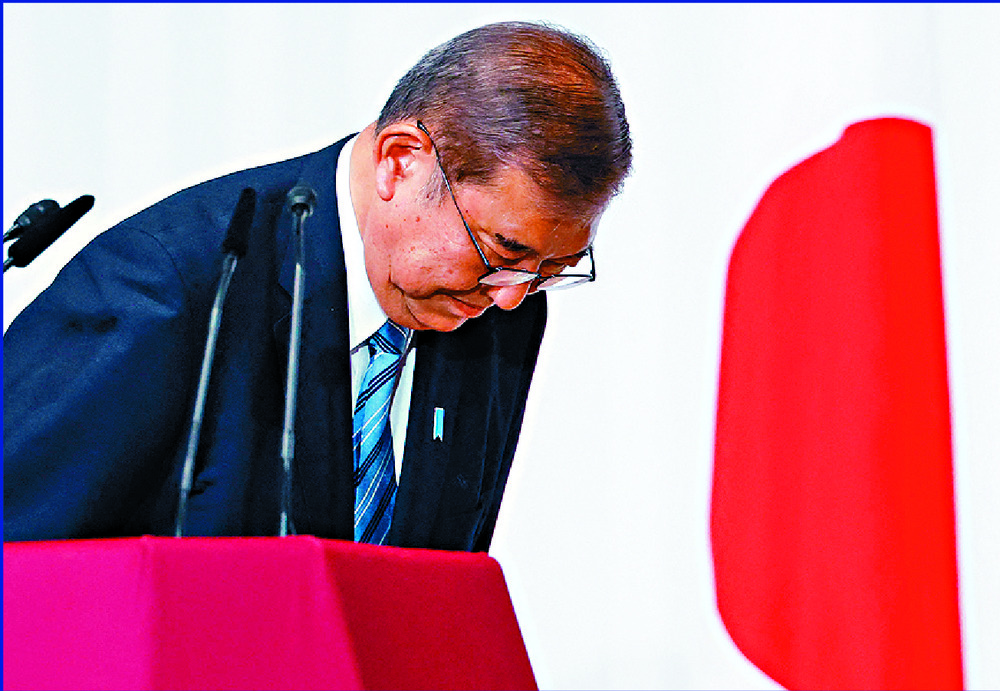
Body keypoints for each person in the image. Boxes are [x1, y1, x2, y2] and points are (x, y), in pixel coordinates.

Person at [3, 21, 632, 549]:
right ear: (400, 162)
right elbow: (22, 564)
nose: (512, 294)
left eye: (553, 269)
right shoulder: (171, 283)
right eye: (506, 249)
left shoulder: (499, 306)